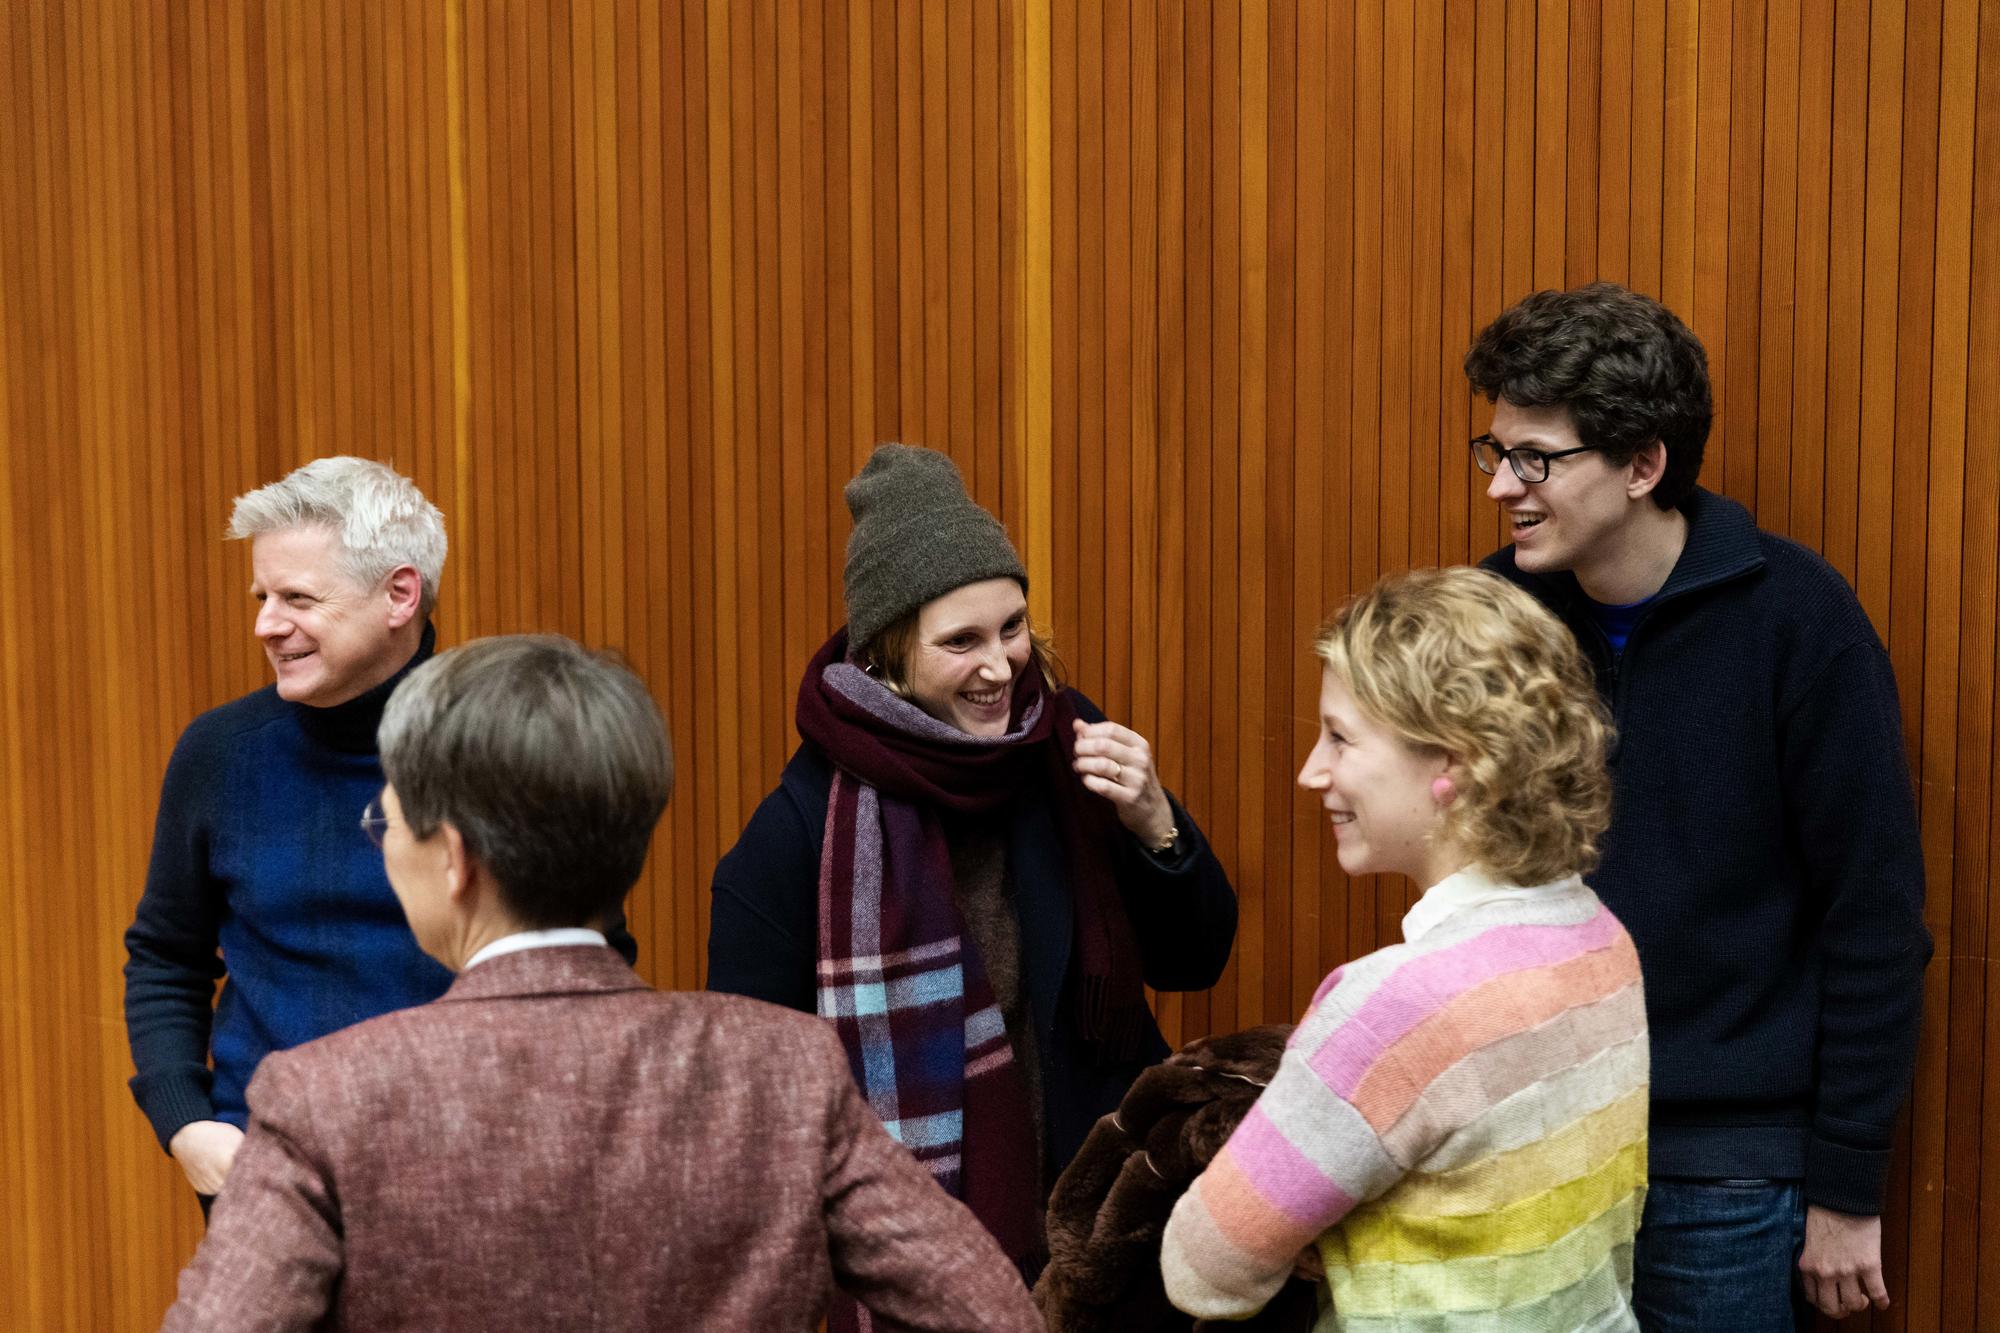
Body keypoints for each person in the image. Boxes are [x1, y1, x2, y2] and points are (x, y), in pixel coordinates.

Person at [163, 635, 1043, 1332]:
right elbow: (993, 1311)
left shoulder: (324, 1100)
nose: (384, 845)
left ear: (455, 858)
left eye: (385, 823)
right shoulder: (788, 1072)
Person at [1463, 281, 1931, 1328]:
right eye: (1494, 451)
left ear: (1641, 466)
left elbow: (1872, 918)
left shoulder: (1797, 619)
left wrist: (1846, 1186)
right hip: (1527, 1147)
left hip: (1722, 1173)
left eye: (1534, 458)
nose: (1500, 485)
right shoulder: (1492, 617)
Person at [708, 443, 1238, 1278]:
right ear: (884, 655)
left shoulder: (1068, 747)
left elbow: (1193, 959)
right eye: (962, 640)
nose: (1001, 666)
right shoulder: (798, 833)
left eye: (1012, 627)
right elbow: (752, 1099)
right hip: (924, 1265)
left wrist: (1155, 824)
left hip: (1107, 1240)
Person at [121, 456, 637, 1209]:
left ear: (400, 594)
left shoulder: (505, 747)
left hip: (480, 1181)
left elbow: (589, 960)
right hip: (269, 1176)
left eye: (297, 597)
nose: (265, 623)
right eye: (263, 596)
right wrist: (189, 1127)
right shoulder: (219, 752)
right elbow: (167, 956)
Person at [1161, 567, 1647, 1330]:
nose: (1311, 770)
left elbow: (1204, 1266)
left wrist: (1330, 1234)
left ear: (1452, 759)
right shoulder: (1601, 941)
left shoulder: (1396, 1005)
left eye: (1340, 737)